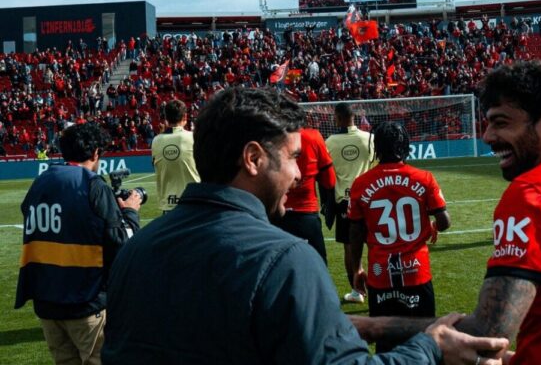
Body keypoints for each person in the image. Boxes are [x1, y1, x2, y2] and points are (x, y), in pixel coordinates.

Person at [102, 87, 508, 365]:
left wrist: (367, 325)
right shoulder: (284, 259)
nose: (299, 174)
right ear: (253, 159)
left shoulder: (135, 249)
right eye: (293, 157)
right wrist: (430, 348)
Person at [356, 62, 541, 364]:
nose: (488, 136)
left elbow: (487, 332)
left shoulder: (535, 193)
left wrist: (366, 327)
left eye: (501, 123)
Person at [15, 122, 141, 365]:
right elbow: (122, 244)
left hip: (46, 302)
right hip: (85, 300)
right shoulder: (93, 184)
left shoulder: (41, 181)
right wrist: (131, 213)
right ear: (95, 152)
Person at [348, 121, 451, 352]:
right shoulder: (424, 178)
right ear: (405, 145)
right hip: (417, 272)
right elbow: (444, 221)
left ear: (377, 147)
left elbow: (355, 232)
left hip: (380, 274)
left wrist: (357, 268)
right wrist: (433, 225)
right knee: (423, 341)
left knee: (385, 343)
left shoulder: (360, 184)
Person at [326, 102, 376, 304]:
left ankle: (357, 292)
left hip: (345, 201)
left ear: (338, 117)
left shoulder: (330, 142)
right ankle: (379, 288)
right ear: (354, 117)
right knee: (374, 244)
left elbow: (327, 174)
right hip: (369, 198)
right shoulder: (369, 138)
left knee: (349, 247)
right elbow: (375, 165)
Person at [274, 126, 336, 264]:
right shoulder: (312, 137)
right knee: (317, 267)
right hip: (305, 213)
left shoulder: (268, 135)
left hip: (274, 215)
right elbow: (330, 181)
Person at [151, 99, 200, 213]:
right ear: (185, 116)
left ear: (166, 118)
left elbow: (155, 164)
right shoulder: (193, 137)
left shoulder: (156, 141)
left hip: (168, 206)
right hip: (193, 203)